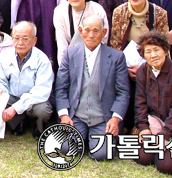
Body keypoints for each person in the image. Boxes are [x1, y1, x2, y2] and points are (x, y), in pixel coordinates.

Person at [55, 15, 130, 161]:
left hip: (103, 118)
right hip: (76, 115)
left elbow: (123, 93)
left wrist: (115, 119)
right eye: (87, 30)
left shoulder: (117, 57)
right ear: (80, 31)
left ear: (104, 32)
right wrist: (64, 115)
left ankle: (93, 139)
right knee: (65, 149)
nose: (91, 35)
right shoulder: (70, 54)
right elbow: (61, 88)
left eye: (96, 31)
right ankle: (84, 137)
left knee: (102, 155)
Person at [110, 0, 169, 133]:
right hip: (126, 67)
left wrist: (146, 69)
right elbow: (115, 46)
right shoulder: (119, 13)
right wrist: (124, 69)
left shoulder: (159, 14)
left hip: (152, 65)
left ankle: (145, 124)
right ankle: (125, 124)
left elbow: (163, 48)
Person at [134, 31, 172, 174]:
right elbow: (140, 102)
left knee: (166, 166)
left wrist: (166, 136)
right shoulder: (143, 71)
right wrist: (143, 128)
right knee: (142, 157)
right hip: (156, 121)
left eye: (156, 50)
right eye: (148, 51)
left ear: (165, 51)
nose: (153, 55)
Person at [0, 21, 53, 139]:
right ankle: (18, 124)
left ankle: (39, 129)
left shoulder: (42, 60)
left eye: (25, 39)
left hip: (33, 100)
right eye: (16, 38)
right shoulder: (5, 56)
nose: (20, 43)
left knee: (43, 110)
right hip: (12, 96)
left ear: (34, 41)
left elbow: (41, 91)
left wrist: (15, 108)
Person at [53, 0, 108, 65]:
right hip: (70, 57)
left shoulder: (97, 9)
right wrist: (64, 68)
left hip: (95, 57)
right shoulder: (59, 11)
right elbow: (62, 44)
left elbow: (103, 39)